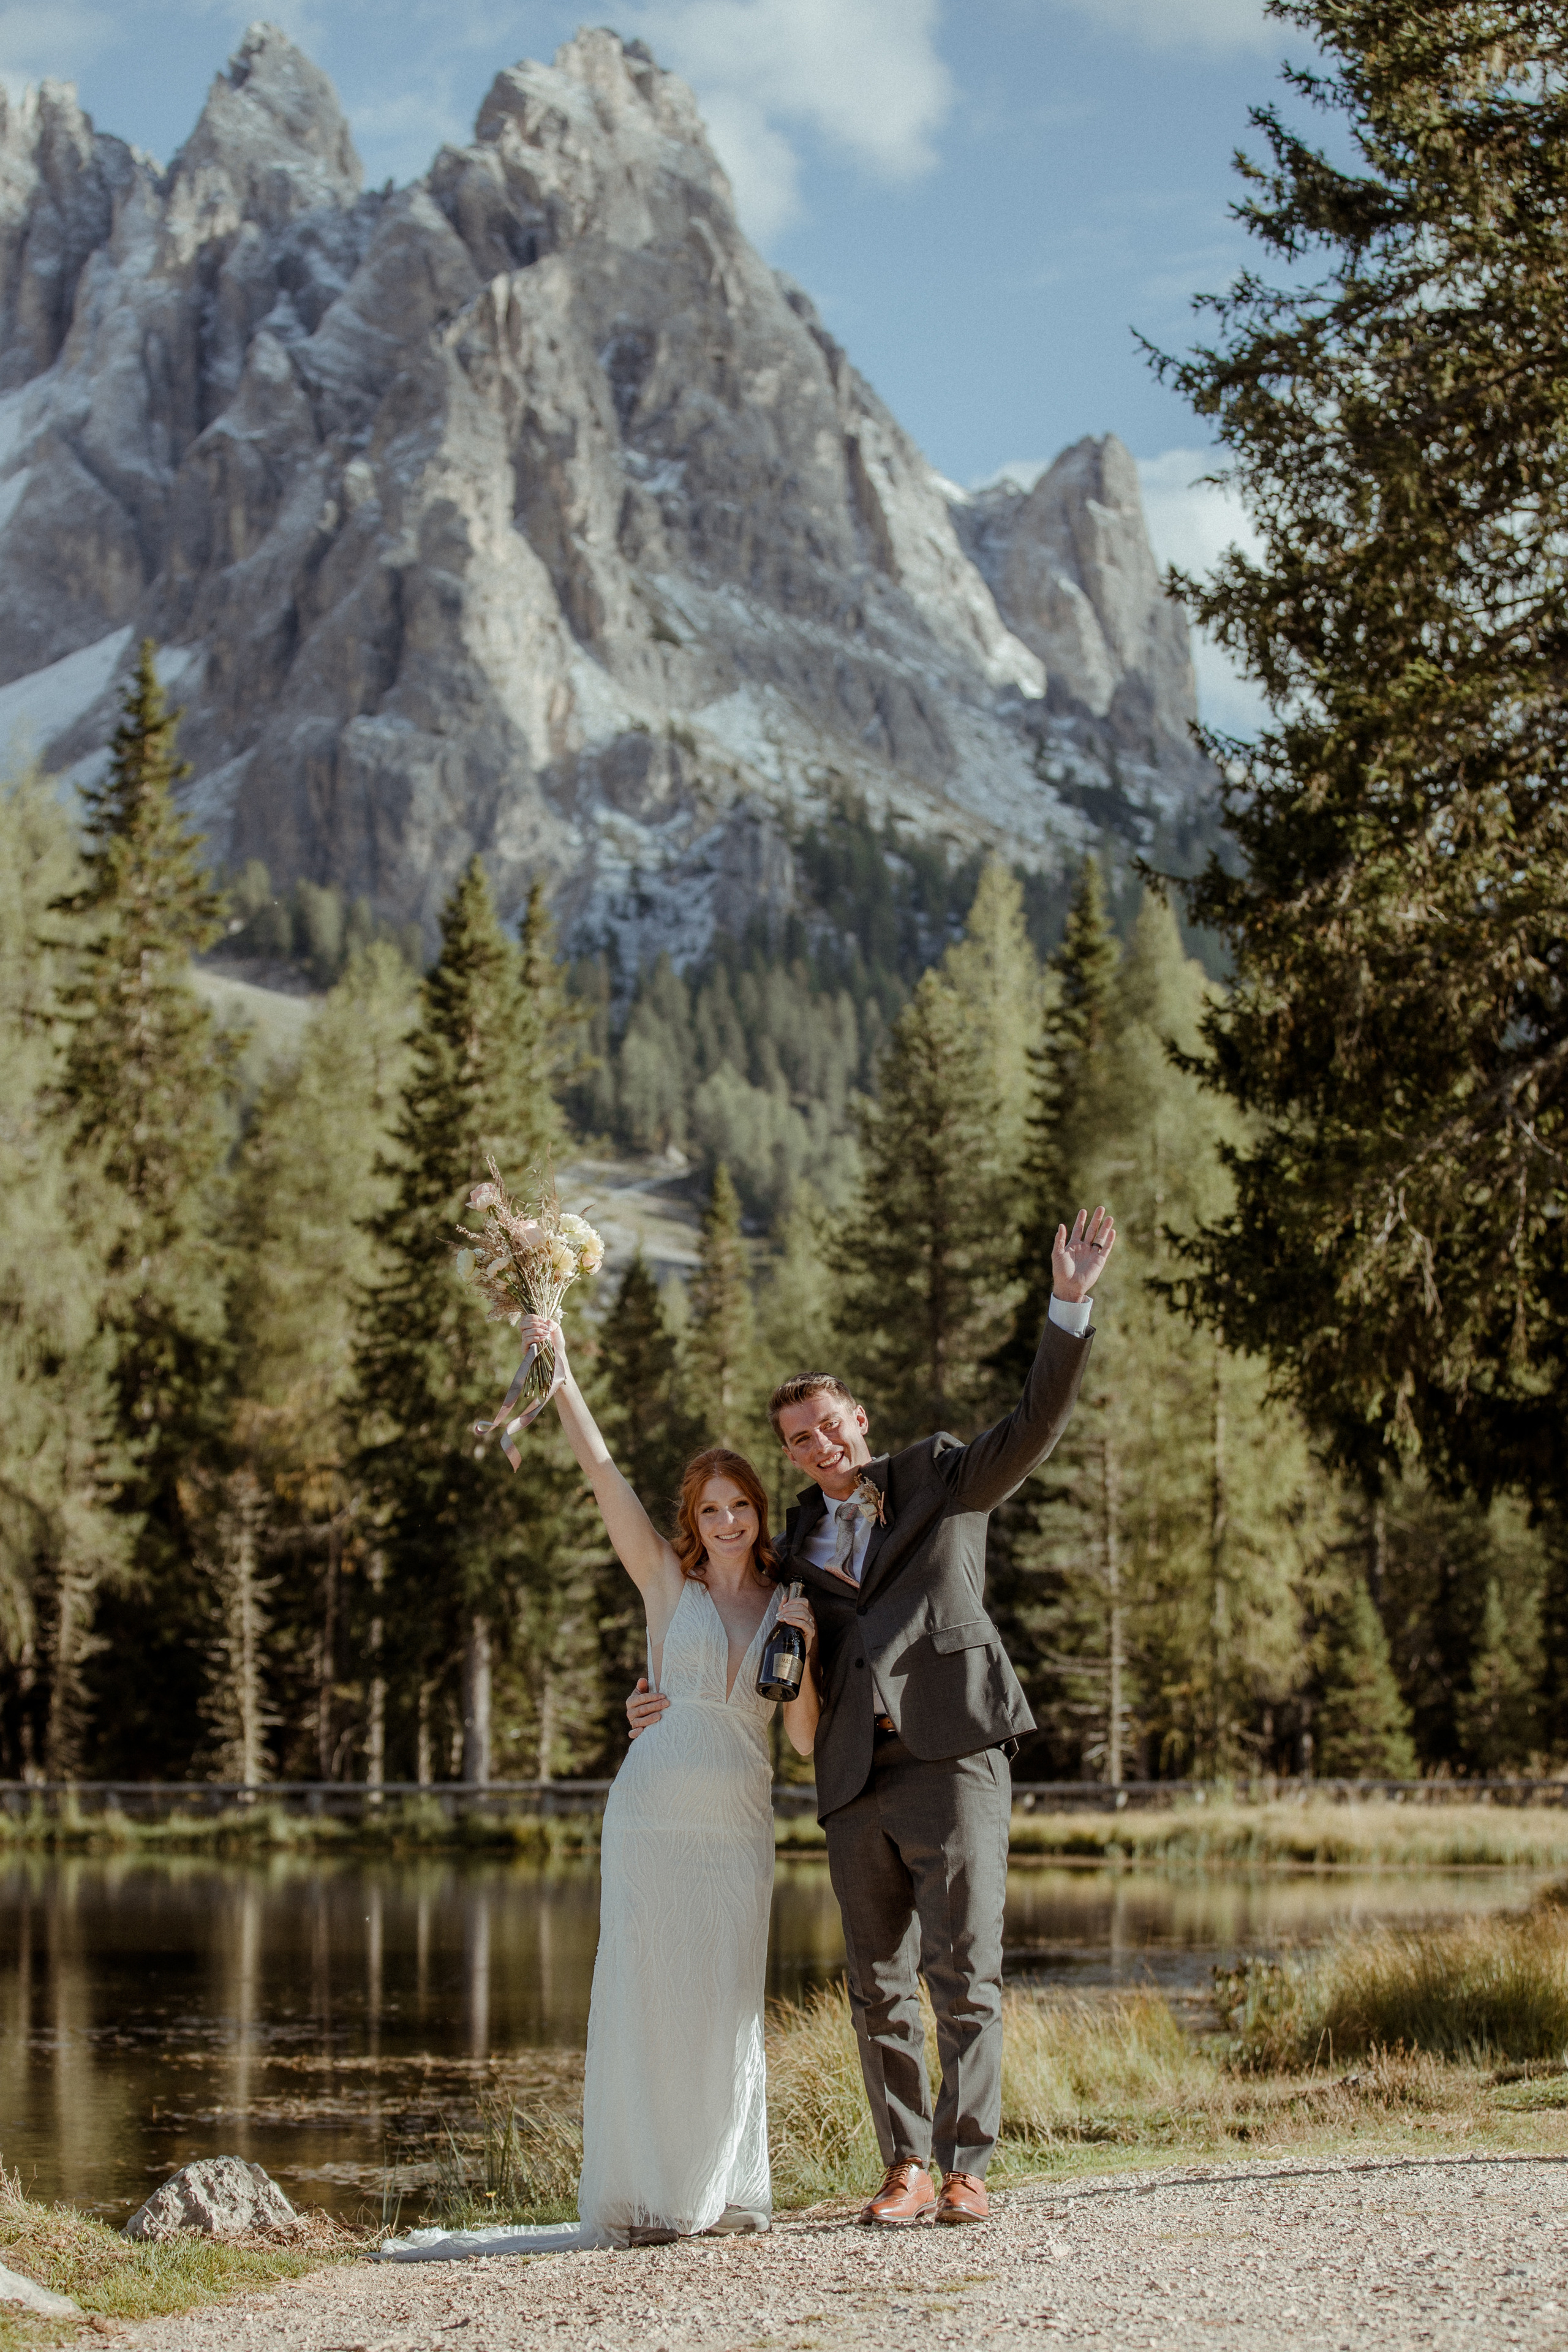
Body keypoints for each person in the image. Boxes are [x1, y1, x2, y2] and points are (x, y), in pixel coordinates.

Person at [628, 1204, 1114, 2229]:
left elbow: (1033, 1424)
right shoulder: (792, 1539)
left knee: (965, 1969)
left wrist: (1068, 1307)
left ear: (859, 1418)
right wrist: (655, 1692)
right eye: (797, 1441)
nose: (817, 1446)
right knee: (876, 1982)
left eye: (828, 1427)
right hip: (851, 1778)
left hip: (953, 1755)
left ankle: (968, 2165)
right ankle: (904, 2167)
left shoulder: (943, 1476)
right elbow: (713, 1600)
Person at [519, 1313, 818, 2248]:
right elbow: (603, 1475)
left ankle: (717, 2190)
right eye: (710, 1511)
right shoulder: (665, 1586)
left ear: (760, 1513)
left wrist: (805, 1653)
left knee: (725, 2006)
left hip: (735, 1830)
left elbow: (803, 1742)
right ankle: (643, 2199)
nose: (726, 1523)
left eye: (741, 1507)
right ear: (690, 1522)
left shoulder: (790, 1606)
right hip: (650, 1822)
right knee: (647, 1997)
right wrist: (560, 1369)